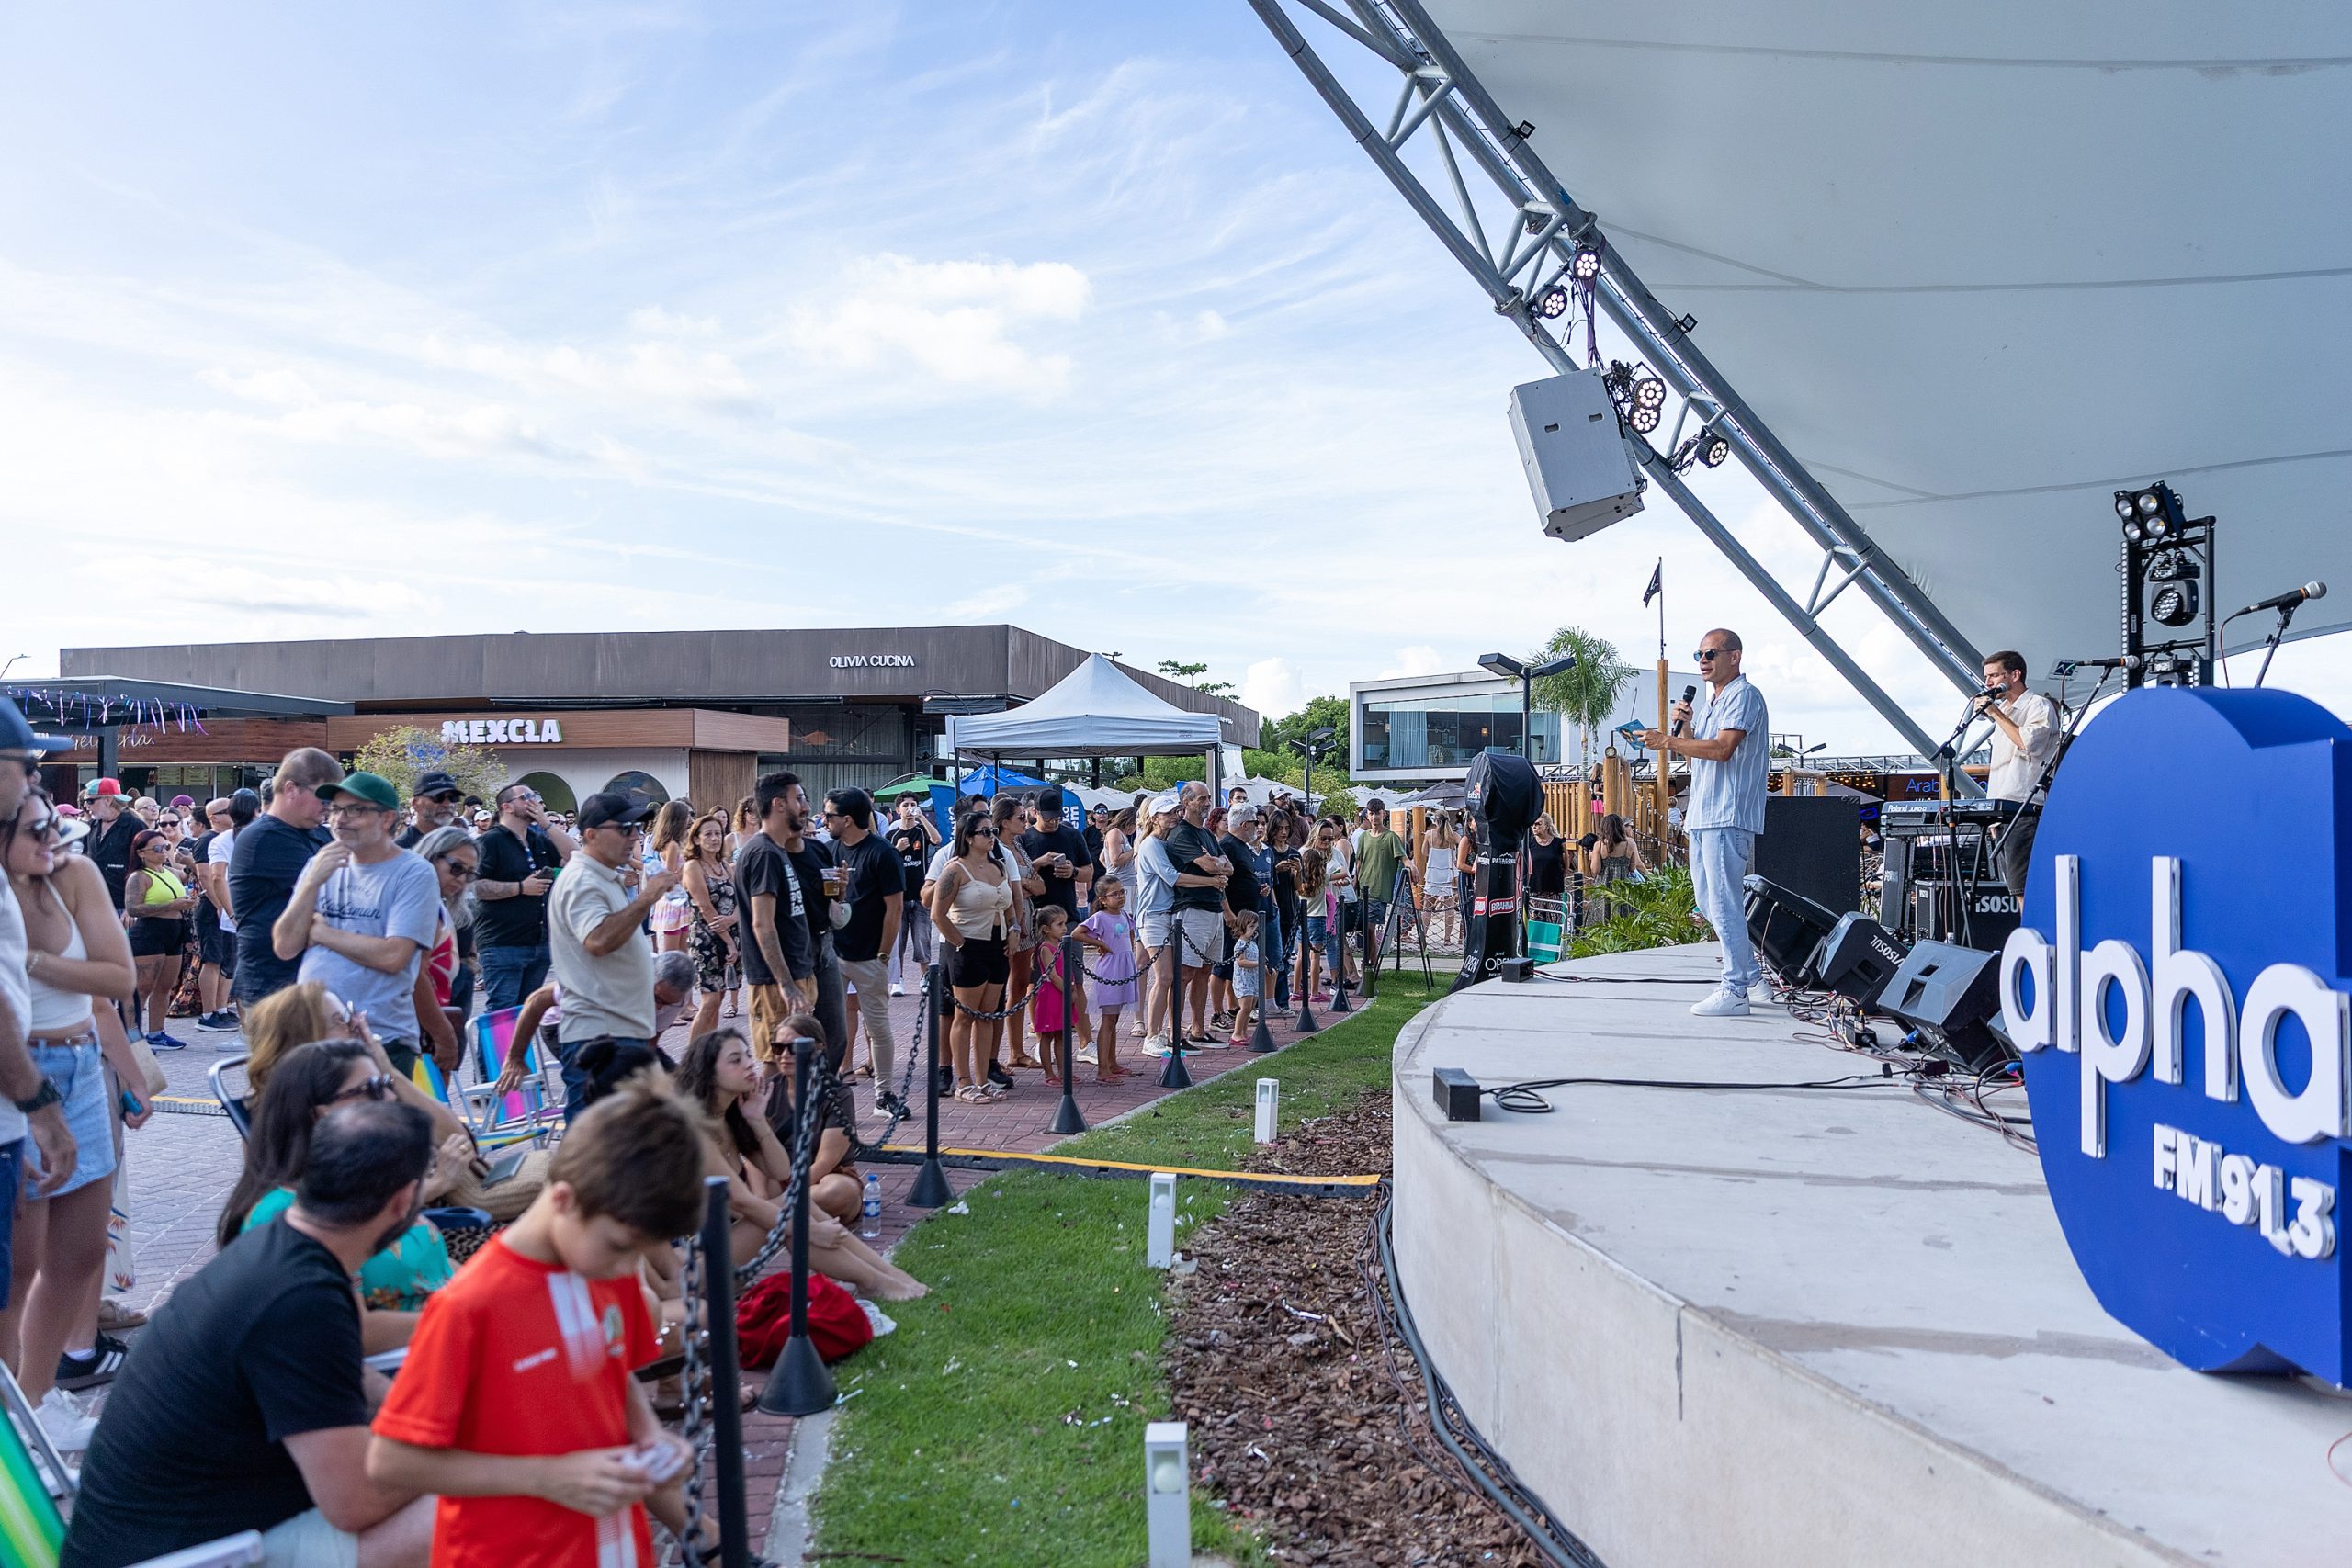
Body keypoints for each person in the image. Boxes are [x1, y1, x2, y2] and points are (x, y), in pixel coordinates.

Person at [60, 1099, 438, 1568]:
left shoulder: (281, 1252)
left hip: (164, 1537)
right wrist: (463, 1447)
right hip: (194, 1556)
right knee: (487, 1503)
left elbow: (349, 1379)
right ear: (403, 1202)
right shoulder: (298, 1299)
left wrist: (430, 1412)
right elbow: (353, 1503)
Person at [365, 1082, 713, 1568]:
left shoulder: (604, 1268)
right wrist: (547, 1478)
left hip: (613, 1546)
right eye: (620, 1247)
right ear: (565, 1200)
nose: (627, 1268)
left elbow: (615, 1377)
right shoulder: (471, 1305)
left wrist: (650, 1436)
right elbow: (392, 1460)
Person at [1, 792, 141, 1448]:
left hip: (81, 1063)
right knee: (19, 1266)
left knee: (82, 1251)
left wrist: (30, 960)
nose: (53, 840)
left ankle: (37, 1397)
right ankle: (15, 1422)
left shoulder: (75, 873)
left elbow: (117, 978)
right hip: (18, 1073)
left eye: (54, 826)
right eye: (37, 830)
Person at [221, 1039, 472, 1351]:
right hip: (414, 1357)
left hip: (450, 1333)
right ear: (320, 1114)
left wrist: (484, 1293)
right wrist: (466, 1317)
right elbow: (351, 1330)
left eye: (385, 1084)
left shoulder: (357, 1178)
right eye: (371, 1089)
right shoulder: (288, 1215)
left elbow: (437, 1267)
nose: (390, 1097)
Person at [672, 1022, 928, 1298]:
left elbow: (781, 1170)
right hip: (687, 1268)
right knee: (791, 1210)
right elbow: (743, 1203)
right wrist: (811, 1230)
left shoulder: (733, 1116)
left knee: (795, 1202)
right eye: (736, 1060)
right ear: (708, 1073)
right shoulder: (696, 1130)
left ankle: (885, 1274)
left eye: (747, 1055)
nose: (749, 1064)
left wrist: (758, 1122)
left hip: (724, 1250)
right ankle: (874, 1281)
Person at [273, 772, 447, 1080]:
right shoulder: (320, 863)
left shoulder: (413, 872)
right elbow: (285, 946)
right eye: (335, 810)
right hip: (313, 1032)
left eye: (355, 810)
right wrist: (312, 882)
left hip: (380, 1038)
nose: (340, 820)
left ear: (387, 818)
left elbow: (393, 957)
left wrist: (321, 932)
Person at [1640, 627, 1769, 1017]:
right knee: (1709, 901)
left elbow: (1724, 750)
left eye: (1711, 653)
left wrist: (1668, 741)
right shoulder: (1715, 702)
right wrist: (1685, 730)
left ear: (1735, 656)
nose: (1703, 662)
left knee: (1724, 902)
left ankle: (1735, 989)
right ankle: (1752, 977)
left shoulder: (1744, 695)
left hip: (1727, 813)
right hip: (1704, 813)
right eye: (1699, 655)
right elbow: (1700, 758)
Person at [547, 791, 673, 1120]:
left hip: (617, 1031)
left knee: (622, 1135)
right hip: (600, 1036)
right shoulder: (582, 880)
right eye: (625, 828)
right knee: (594, 1137)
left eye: (637, 828)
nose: (635, 837)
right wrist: (647, 898)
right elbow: (598, 940)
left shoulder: (602, 875)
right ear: (591, 834)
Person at [231, 748, 341, 1010]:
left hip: (305, 980)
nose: (329, 807)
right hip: (273, 986)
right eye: (324, 797)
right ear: (291, 789)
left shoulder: (317, 832)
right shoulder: (264, 837)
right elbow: (336, 890)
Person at [823, 788, 904, 1111]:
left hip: (870, 954)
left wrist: (883, 955)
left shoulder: (882, 852)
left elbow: (894, 908)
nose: (824, 820)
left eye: (829, 815)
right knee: (830, 1026)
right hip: (833, 953)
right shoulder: (828, 850)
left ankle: (884, 1095)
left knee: (878, 1026)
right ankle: (827, 1092)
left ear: (847, 819)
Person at [929, 811, 1013, 1103]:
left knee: (987, 1016)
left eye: (993, 831)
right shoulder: (955, 869)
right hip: (968, 947)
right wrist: (960, 942)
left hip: (997, 945)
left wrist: (1014, 929)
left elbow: (1009, 904)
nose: (992, 837)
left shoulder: (998, 866)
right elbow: (937, 913)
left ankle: (982, 1079)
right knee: (964, 1016)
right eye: (985, 832)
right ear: (968, 837)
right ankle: (963, 1082)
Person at [471, 781, 576, 1011]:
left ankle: (519, 1040)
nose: (534, 802)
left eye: (535, 797)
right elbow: (475, 886)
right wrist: (520, 888)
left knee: (528, 1013)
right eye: (526, 797)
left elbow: (575, 856)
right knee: (502, 1012)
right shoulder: (490, 841)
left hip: (538, 943)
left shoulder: (538, 840)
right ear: (507, 806)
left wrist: (547, 824)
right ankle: (496, 1040)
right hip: (502, 942)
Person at [736, 772, 816, 1065]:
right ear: (779, 804)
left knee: (798, 1067)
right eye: (799, 799)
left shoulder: (778, 850)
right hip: (775, 984)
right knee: (776, 1065)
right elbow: (762, 923)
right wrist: (786, 984)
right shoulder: (764, 853)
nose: (805, 807)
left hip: (797, 975)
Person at [1163, 782, 1230, 1050]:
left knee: (1205, 971)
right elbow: (1209, 865)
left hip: (1213, 909)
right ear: (1186, 802)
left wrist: (1217, 863)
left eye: (1208, 798)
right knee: (1185, 973)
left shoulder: (1207, 835)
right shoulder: (1181, 833)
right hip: (1191, 909)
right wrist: (1215, 864)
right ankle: (1174, 1033)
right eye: (1202, 798)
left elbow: (1229, 867)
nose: (1207, 803)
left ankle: (1198, 1030)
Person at [121, 829, 194, 1050]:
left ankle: (156, 1032)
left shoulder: (168, 871)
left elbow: (187, 875)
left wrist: (189, 862)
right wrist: (171, 905)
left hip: (174, 930)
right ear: (141, 852)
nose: (163, 852)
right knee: (141, 988)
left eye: (166, 847)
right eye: (158, 848)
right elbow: (133, 908)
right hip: (150, 932)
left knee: (165, 986)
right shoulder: (139, 877)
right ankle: (131, 1034)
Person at [190, 793, 248, 1032]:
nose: (232, 813)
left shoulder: (231, 837)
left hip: (227, 908)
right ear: (213, 817)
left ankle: (221, 1009)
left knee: (227, 961)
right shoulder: (208, 840)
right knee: (212, 960)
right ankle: (208, 1014)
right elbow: (206, 876)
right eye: (226, 811)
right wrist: (220, 906)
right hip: (212, 907)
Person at [683, 808, 741, 1041]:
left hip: (731, 935)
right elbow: (705, 907)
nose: (715, 838)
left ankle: (709, 1050)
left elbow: (740, 899)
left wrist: (734, 919)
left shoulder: (724, 865)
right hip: (706, 938)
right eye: (708, 834)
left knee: (720, 998)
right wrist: (729, 943)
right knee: (710, 1000)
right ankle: (693, 1054)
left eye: (718, 833)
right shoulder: (693, 866)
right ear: (697, 839)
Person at [1975, 649, 2060, 805]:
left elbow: (2026, 743)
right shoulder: (2004, 709)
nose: (1988, 683)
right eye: (1986, 677)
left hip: (2025, 803)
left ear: (2015, 675)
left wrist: (1995, 713)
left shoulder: (2038, 705)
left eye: (1994, 675)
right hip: (2000, 801)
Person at [1074, 874, 1137, 1080]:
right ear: (1102, 899)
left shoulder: (1125, 915)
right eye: (1114, 894)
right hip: (1110, 971)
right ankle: (1103, 1069)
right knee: (1108, 1019)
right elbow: (1077, 933)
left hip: (1125, 969)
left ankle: (1112, 1062)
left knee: (1114, 1019)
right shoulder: (1100, 917)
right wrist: (1099, 943)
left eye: (1122, 892)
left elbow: (1129, 936)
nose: (1120, 897)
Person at [885, 797, 936, 995]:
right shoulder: (891, 835)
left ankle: (925, 977)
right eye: (905, 805)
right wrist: (896, 849)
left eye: (913, 804)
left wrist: (922, 817)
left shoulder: (922, 832)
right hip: (899, 896)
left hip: (920, 896)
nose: (909, 808)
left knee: (922, 939)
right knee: (897, 941)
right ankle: (898, 979)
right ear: (898, 810)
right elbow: (884, 861)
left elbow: (937, 840)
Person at [1353, 802, 1407, 961]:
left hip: (1379, 891)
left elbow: (1404, 858)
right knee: (1364, 930)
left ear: (1384, 814)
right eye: (1371, 813)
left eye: (1377, 813)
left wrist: (1413, 868)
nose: (1374, 816)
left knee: (1370, 928)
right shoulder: (1363, 837)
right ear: (1367, 815)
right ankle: (1368, 964)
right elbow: (1359, 863)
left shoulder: (1391, 837)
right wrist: (1354, 885)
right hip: (1362, 890)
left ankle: (1371, 965)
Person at [80, 780, 142, 914]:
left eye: (90, 801)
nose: (85, 805)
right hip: (93, 903)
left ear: (108, 800)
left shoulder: (135, 826)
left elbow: (144, 867)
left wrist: (132, 906)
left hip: (122, 905)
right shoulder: (91, 826)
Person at [1030, 905, 1073, 1084]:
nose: (1064, 928)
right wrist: (1068, 992)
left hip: (1063, 992)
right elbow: (1053, 975)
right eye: (1059, 924)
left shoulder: (1062, 944)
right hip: (1051, 995)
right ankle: (1049, 1073)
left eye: (1065, 923)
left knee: (1062, 1034)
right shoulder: (1046, 948)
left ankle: (1063, 1072)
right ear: (1046, 929)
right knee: (1047, 1036)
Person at [647, 799, 695, 953]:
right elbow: (670, 877)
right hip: (673, 901)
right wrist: (689, 866)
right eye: (687, 816)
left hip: (680, 898)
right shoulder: (672, 845)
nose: (690, 819)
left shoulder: (677, 843)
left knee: (683, 948)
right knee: (673, 951)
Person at [1588, 813, 1650, 921]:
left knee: (1601, 917)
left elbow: (1595, 870)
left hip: (1604, 886)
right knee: (1624, 916)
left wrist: (1592, 856)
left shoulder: (1599, 845)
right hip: (1623, 885)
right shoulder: (1630, 843)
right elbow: (1632, 868)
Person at [391, 769, 463, 851]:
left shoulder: (461, 844)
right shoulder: (399, 850)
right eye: (437, 797)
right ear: (415, 803)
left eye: (453, 798)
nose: (448, 804)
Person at [1227, 910, 1261, 1048]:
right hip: (1243, 981)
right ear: (1242, 927)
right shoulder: (1241, 944)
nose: (1254, 930)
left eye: (1256, 927)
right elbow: (1241, 962)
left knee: (1250, 1007)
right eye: (1251, 927)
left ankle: (1244, 1032)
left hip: (1253, 980)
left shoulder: (1252, 943)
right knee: (1245, 1007)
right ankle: (1236, 1033)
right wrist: (1258, 963)